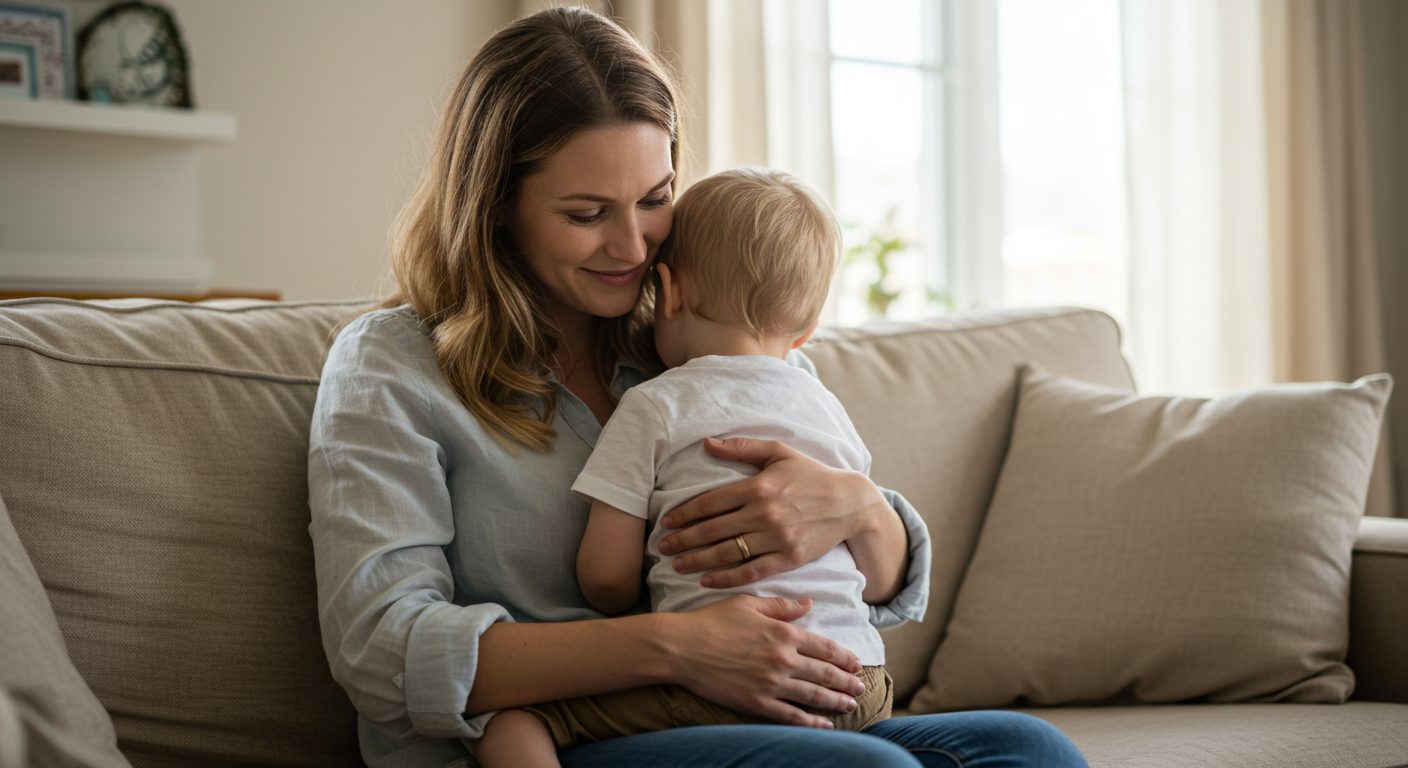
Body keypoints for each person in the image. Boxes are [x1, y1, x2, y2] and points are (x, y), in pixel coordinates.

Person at [307, 6, 1088, 767]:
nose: (632, 245)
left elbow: (875, 578)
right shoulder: (392, 367)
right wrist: (680, 647)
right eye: (586, 214)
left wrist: (860, 507)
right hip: (561, 736)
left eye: (654, 200)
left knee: (1030, 749)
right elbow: (381, 648)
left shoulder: (706, 333)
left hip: (764, 713)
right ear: (496, 208)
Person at [473, 168, 893, 768]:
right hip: (859, 677)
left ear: (666, 291)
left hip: (722, 692)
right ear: (807, 329)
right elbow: (867, 564)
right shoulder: (823, 405)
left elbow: (608, 577)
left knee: (515, 722)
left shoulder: (657, 403)